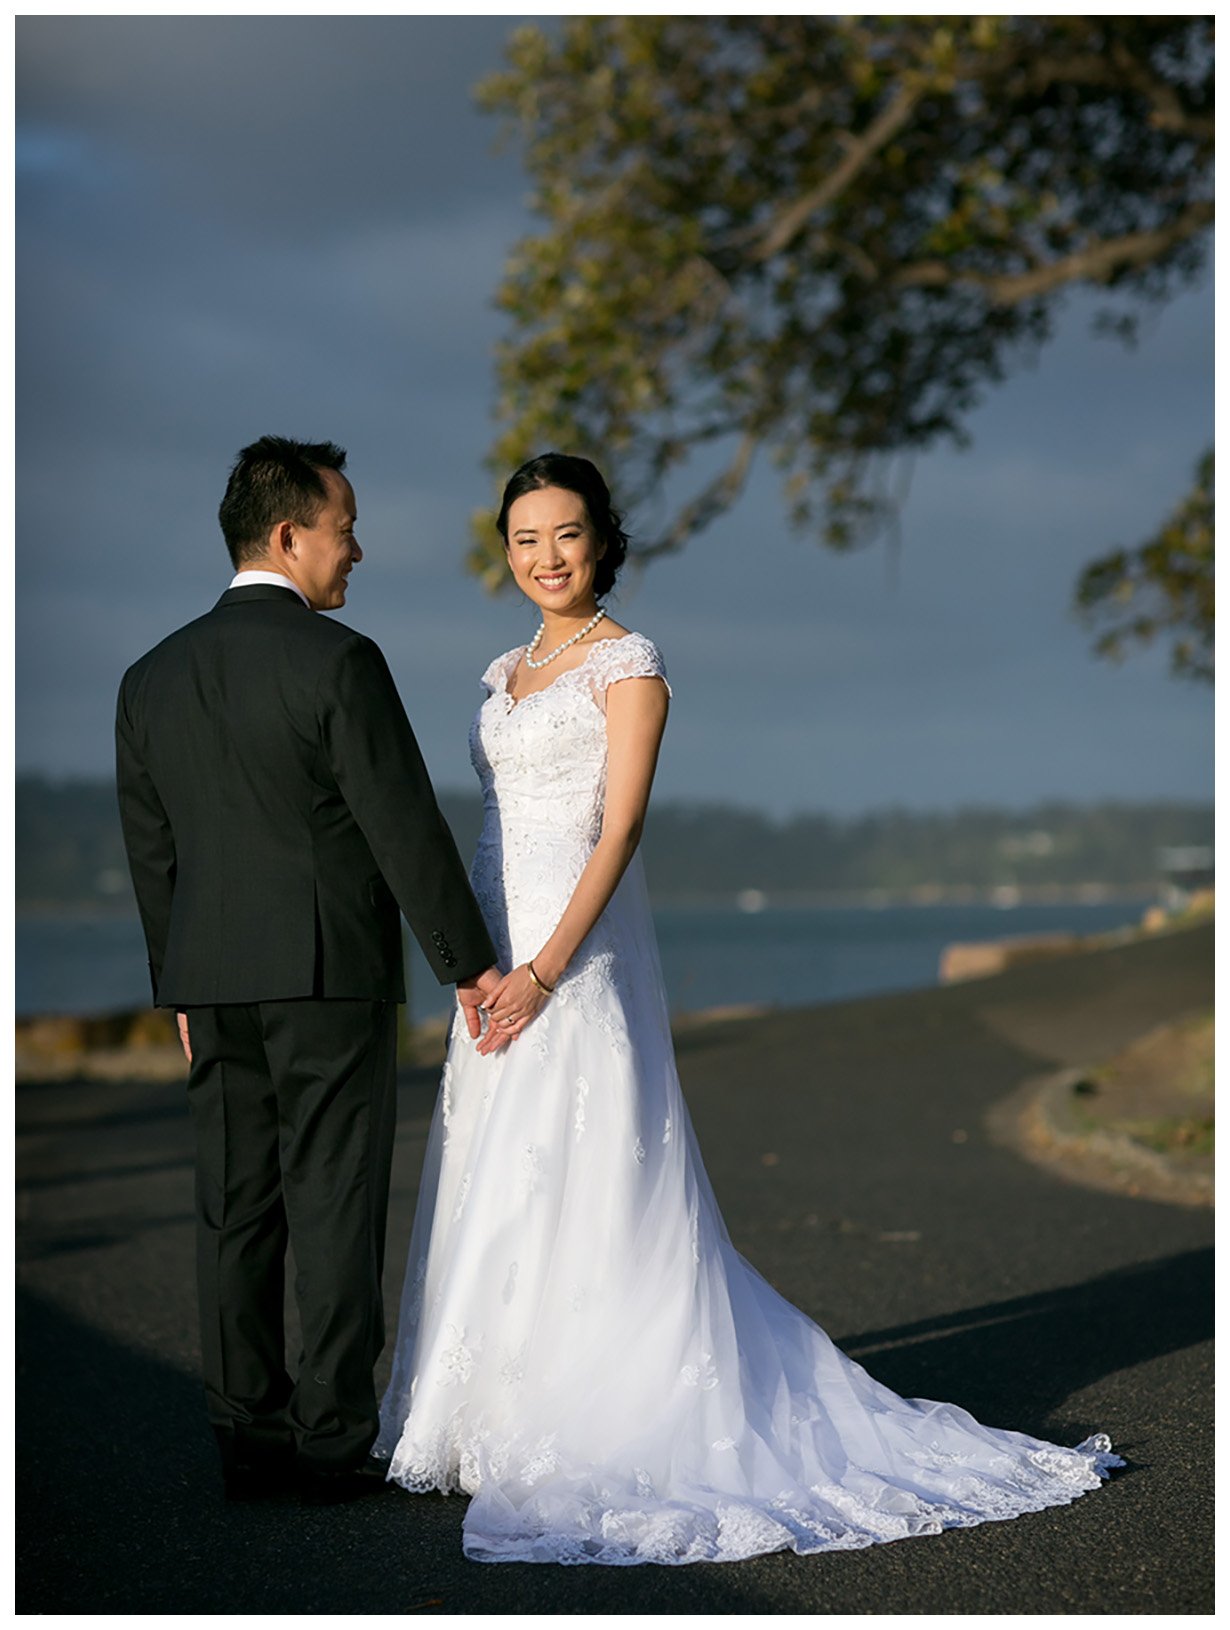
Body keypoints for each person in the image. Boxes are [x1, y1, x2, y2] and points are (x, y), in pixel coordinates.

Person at [376, 451, 1124, 1564]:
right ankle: (489, 1413)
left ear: (603, 541)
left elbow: (617, 831)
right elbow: (489, 831)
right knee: (498, 1163)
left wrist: (544, 970)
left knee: (583, 1170)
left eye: (566, 534)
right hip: (493, 958)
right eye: (524, 538)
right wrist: (478, 963)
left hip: (574, 963)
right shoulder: (502, 674)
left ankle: (592, 1411)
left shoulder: (629, 666)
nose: (545, 557)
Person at [115, 435, 502, 1503]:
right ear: (289, 535)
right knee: (332, 1200)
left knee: (234, 1207)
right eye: (346, 528)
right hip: (328, 974)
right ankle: (331, 1443)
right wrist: (467, 964)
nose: (358, 550)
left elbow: (155, 852)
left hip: (211, 978)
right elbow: (402, 825)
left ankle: (246, 1435)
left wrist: (175, 985)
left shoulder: (150, 677)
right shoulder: (340, 662)